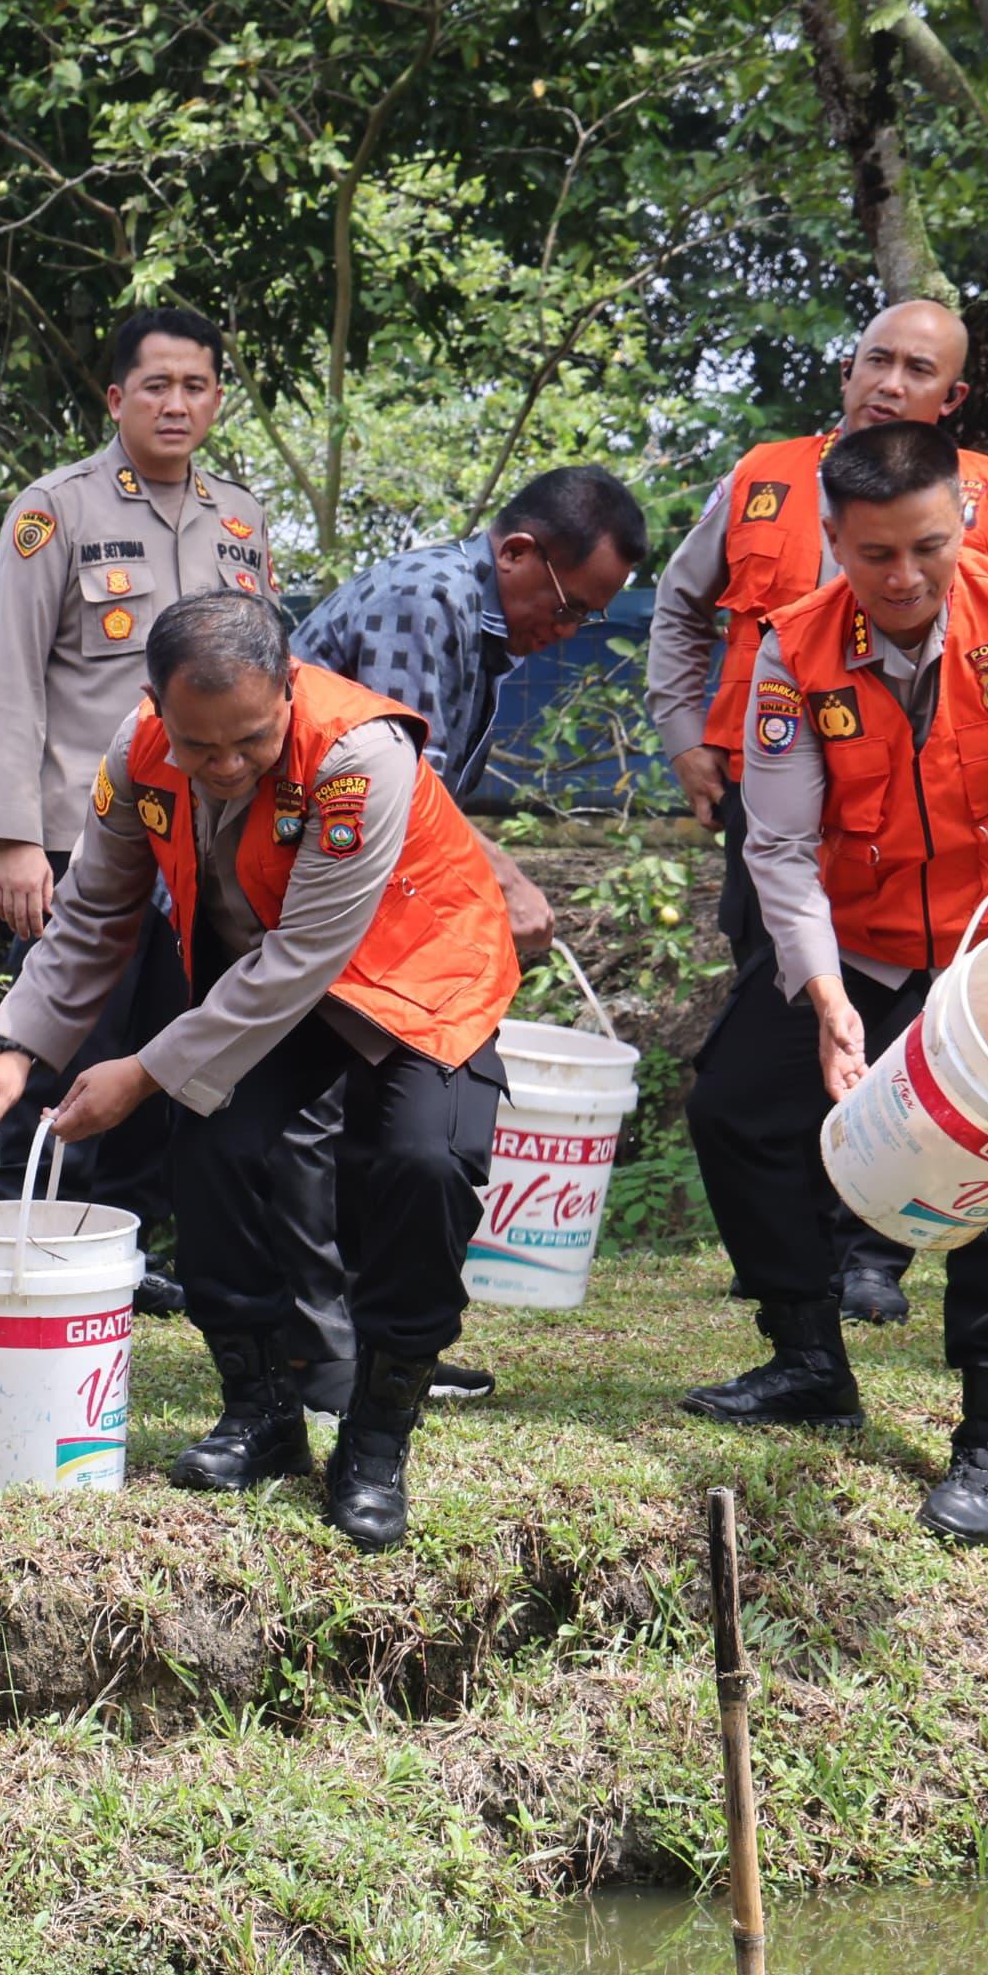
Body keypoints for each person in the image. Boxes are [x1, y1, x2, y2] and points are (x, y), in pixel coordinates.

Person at [0, 593, 521, 1550]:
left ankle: (377, 1435)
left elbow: (305, 956)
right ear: (154, 705)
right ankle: (262, 1409)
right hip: (272, 979)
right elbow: (93, 912)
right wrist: (20, 1051)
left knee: (419, 1164)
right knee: (212, 1143)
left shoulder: (357, 757)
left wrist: (144, 1068)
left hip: (418, 969)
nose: (222, 768)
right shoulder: (137, 753)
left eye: (248, 742)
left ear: (289, 688)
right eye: (198, 746)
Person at [681, 421, 988, 1543]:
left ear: (959, 524)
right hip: (866, 937)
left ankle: (987, 1433)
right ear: (831, 539)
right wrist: (827, 1002)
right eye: (873, 554)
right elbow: (778, 849)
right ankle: (804, 1357)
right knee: (735, 1108)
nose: (902, 578)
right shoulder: (793, 648)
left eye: (926, 548)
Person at [645, 300, 988, 1330]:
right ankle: (792, 1256)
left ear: (949, 400)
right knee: (787, 1012)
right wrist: (684, 734)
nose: (888, 382)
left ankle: (871, 1249)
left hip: (934, 826)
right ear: (844, 366)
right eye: (876, 359)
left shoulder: (987, 496)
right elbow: (680, 607)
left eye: (916, 370)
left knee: (915, 1034)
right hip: (773, 803)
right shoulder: (761, 476)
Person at [290, 463, 647, 1397]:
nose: (563, 633)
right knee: (321, 1131)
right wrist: (508, 878)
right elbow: (406, 786)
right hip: (298, 908)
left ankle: (386, 1337)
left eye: (585, 620)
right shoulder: (428, 600)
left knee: (396, 1135)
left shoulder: (469, 615)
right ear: (518, 552)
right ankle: (329, 1357)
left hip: (356, 902)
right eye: (569, 606)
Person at [0, 307, 282, 1302]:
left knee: (165, 1046)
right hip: (81, 839)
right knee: (67, 1044)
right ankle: (25, 1239)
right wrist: (13, 841)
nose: (175, 404)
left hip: (206, 844)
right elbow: (11, 680)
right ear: (115, 398)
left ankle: (127, 1249)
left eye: (194, 386)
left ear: (217, 399)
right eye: (155, 385)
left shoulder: (240, 520)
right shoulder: (54, 510)